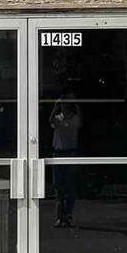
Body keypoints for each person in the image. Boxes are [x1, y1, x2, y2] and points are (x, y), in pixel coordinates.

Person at [49, 93, 82, 226]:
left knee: (70, 186)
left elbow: (80, 118)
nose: (65, 107)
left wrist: (75, 103)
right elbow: (50, 120)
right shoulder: (58, 118)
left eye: (67, 104)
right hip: (58, 153)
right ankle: (59, 216)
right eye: (64, 104)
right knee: (58, 187)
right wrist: (55, 106)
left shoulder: (74, 119)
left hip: (70, 153)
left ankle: (68, 215)